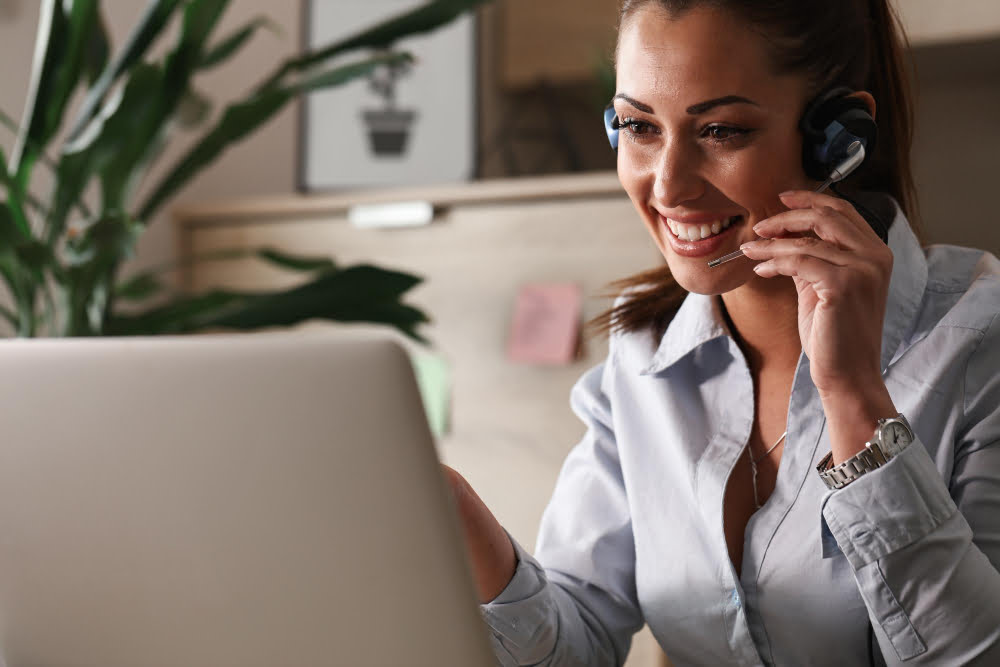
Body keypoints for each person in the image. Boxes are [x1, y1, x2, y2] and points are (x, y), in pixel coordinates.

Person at [443, 0, 1000, 664]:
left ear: (838, 136)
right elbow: (575, 645)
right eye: (639, 125)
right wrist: (449, 508)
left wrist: (854, 397)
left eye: (721, 130)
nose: (668, 185)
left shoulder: (977, 342)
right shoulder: (642, 362)